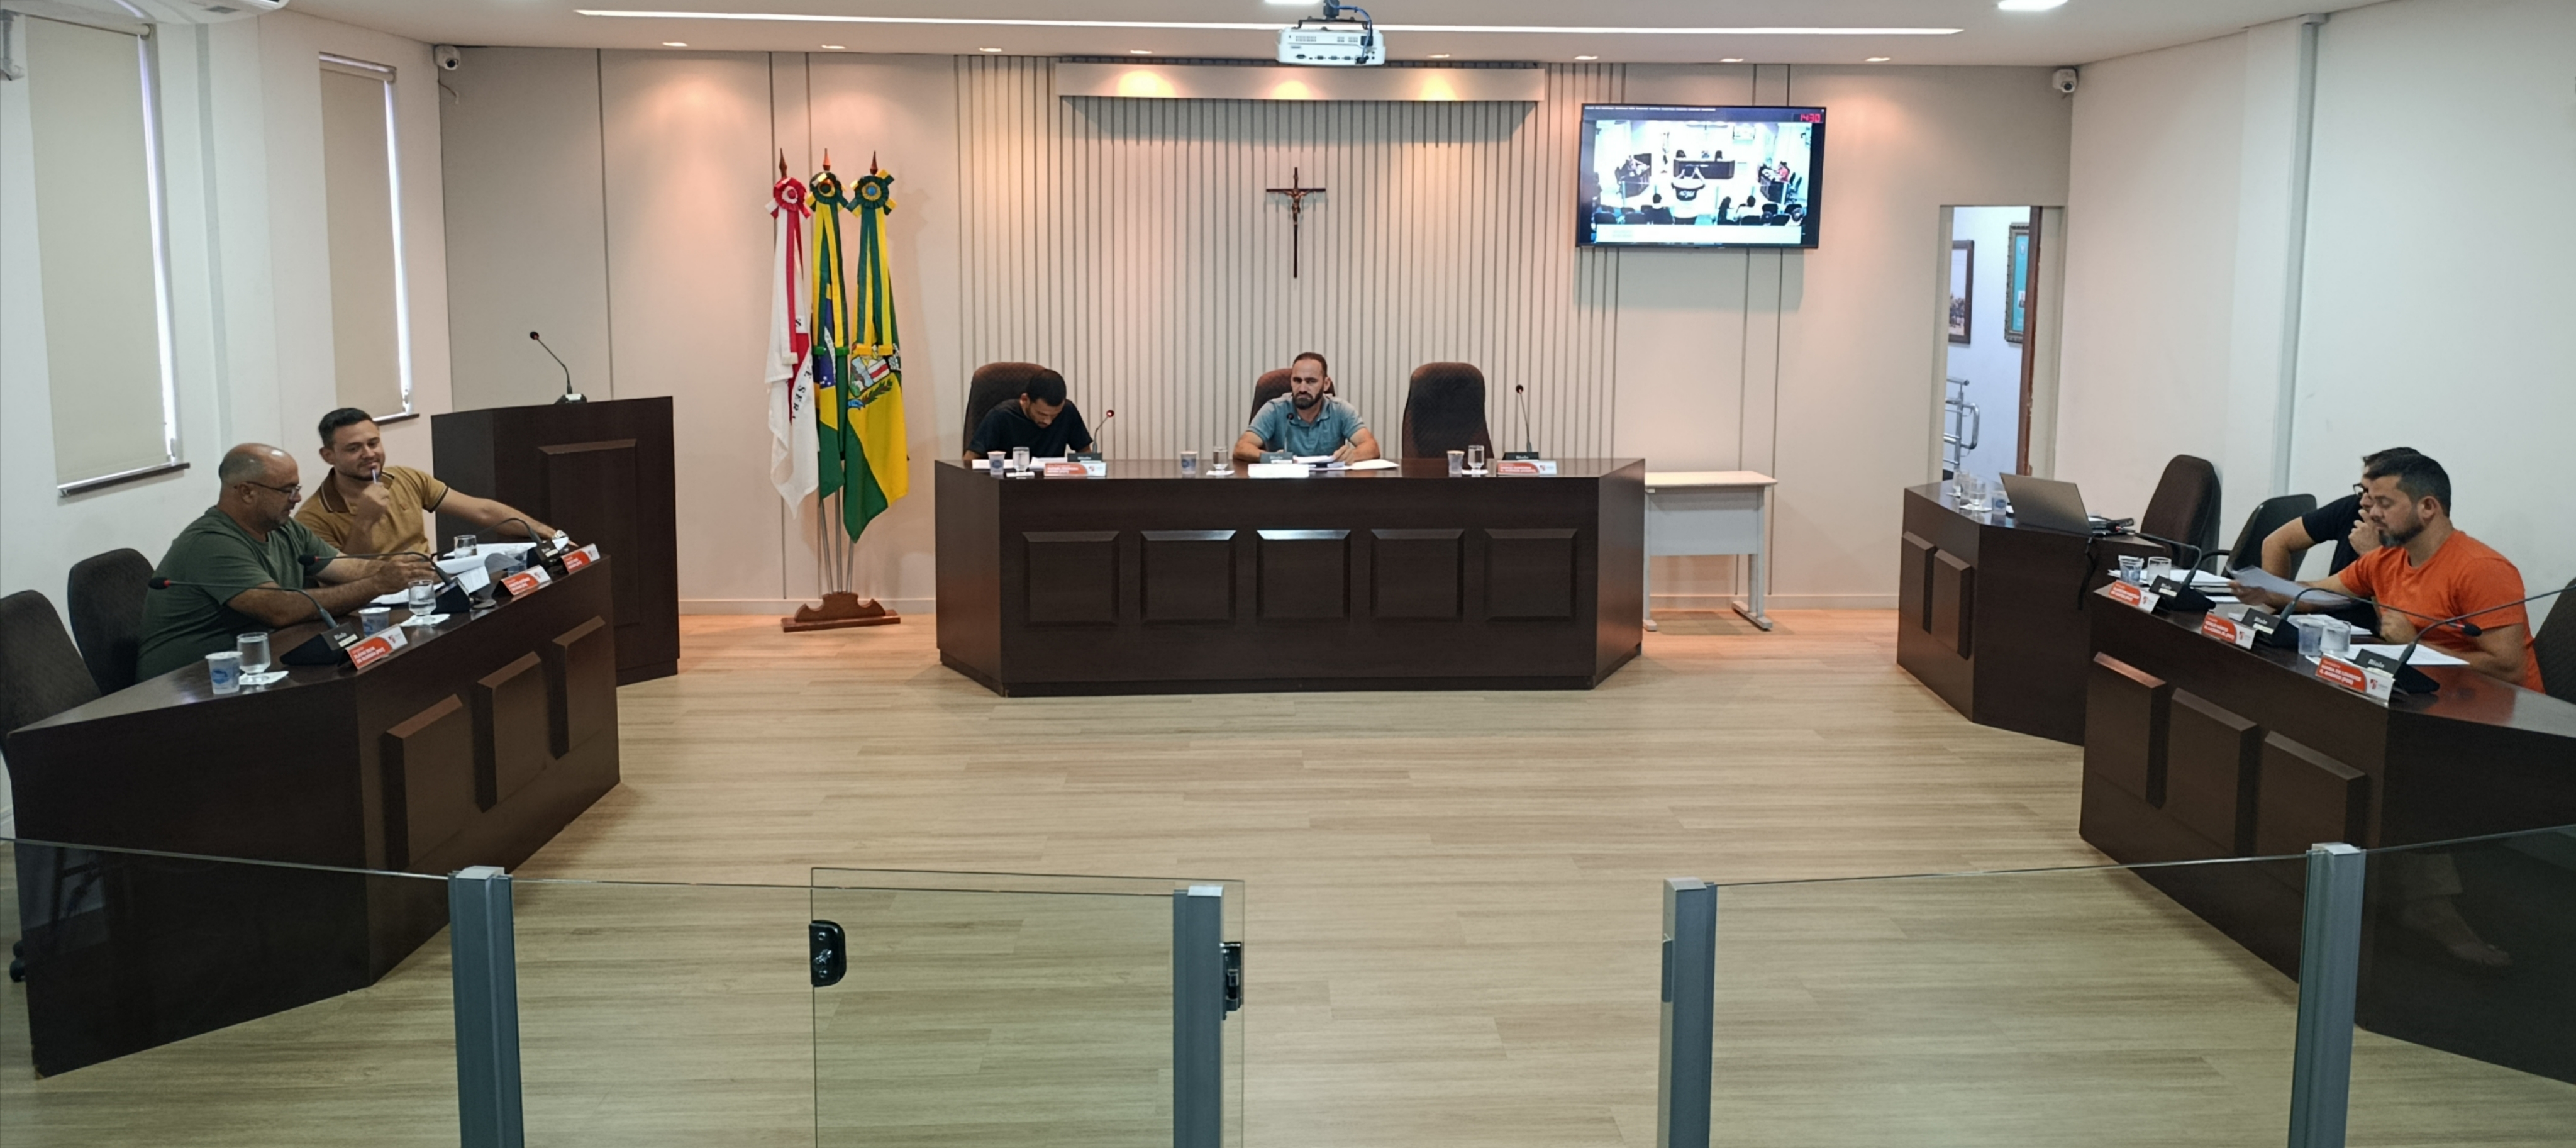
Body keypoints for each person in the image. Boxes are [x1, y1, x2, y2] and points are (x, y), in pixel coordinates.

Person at [2232, 452, 2542, 691]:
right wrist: (2264, 590)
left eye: (2385, 503)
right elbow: (2316, 595)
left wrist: (2414, 644)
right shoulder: (2385, 559)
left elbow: (2509, 671)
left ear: (2428, 508)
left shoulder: (2481, 569)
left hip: (2496, 718)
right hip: (2422, 692)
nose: (2372, 513)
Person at [136, 444, 436, 679]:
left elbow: (348, 568)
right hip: (191, 683)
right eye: (287, 490)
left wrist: (409, 570)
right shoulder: (211, 543)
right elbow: (280, 609)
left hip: (260, 664)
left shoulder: (284, 528)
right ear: (247, 492)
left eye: (297, 489)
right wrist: (378, 583)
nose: (296, 499)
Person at [297, 408, 557, 556]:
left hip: (430, 587)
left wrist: (547, 533)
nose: (369, 454)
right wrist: (365, 521)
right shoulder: (313, 517)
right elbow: (347, 577)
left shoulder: (407, 478)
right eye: (354, 449)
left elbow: (483, 511)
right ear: (328, 456)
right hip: (377, 609)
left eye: (373, 443)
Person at [2256, 446, 2418, 629]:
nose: (2364, 501)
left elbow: (2393, 627)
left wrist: (2373, 556)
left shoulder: (2416, 538)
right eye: (2363, 490)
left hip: (2372, 637)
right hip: (2326, 624)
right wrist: (2274, 604)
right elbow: (2277, 542)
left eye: (2376, 496)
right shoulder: (2354, 507)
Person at [1233, 352, 1380, 464]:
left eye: (1311, 382)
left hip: (1330, 487)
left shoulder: (1340, 410)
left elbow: (1371, 447)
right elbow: (1242, 447)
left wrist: (1352, 455)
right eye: (1297, 381)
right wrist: (1272, 457)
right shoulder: (1274, 409)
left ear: (1326, 384)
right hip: (1283, 487)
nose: (1302, 389)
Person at [963, 369, 1093, 462]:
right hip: (1007, 486)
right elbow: (970, 459)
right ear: (1025, 400)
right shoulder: (1000, 416)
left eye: (1055, 415)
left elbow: (1086, 453)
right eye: (1041, 414)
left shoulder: (1068, 411)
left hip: (1052, 485)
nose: (1048, 421)